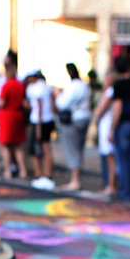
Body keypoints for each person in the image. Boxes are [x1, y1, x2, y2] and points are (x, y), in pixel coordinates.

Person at [109, 55, 130, 203]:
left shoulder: (119, 85)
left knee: (123, 160)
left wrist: (112, 128)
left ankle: (125, 193)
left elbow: (117, 108)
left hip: (124, 124)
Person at [54, 62, 91, 191]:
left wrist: (58, 95)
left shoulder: (73, 87)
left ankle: (75, 180)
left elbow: (62, 103)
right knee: (78, 148)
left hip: (74, 120)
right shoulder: (84, 86)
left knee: (72, 149)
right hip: (83, 118)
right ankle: (76, 178)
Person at [0, 53, 28, 181]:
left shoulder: (7, 85)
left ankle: (8, 170)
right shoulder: (20, 85)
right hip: (18, 116)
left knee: (6, 146)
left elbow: (2, 102)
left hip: (7, 117)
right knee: (17, 146)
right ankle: (22, 170)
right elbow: (25, 102)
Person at [26, 69, 56, 187]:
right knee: (46, 147)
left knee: (39, 148)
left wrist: (38, 126)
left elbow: (39, 107)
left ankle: (40, 173)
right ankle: (47, 173)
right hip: (47, 120)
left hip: (40, 121)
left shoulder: (36, 89)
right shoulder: (46, 87)